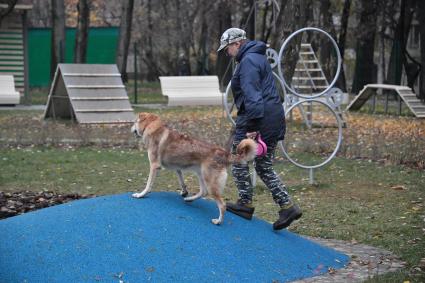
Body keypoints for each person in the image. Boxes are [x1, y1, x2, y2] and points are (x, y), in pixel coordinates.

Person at [217, 27, 302, 230]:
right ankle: (287, 207)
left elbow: (252, 95)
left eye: (228, 48)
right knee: (263, 166)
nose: (227, 52)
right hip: (272, 118)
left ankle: (245, 204)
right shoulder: (257, 57)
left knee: (238, 159)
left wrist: (252, 128)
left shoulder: (248, 62)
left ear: (237, 44)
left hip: (257, 119)